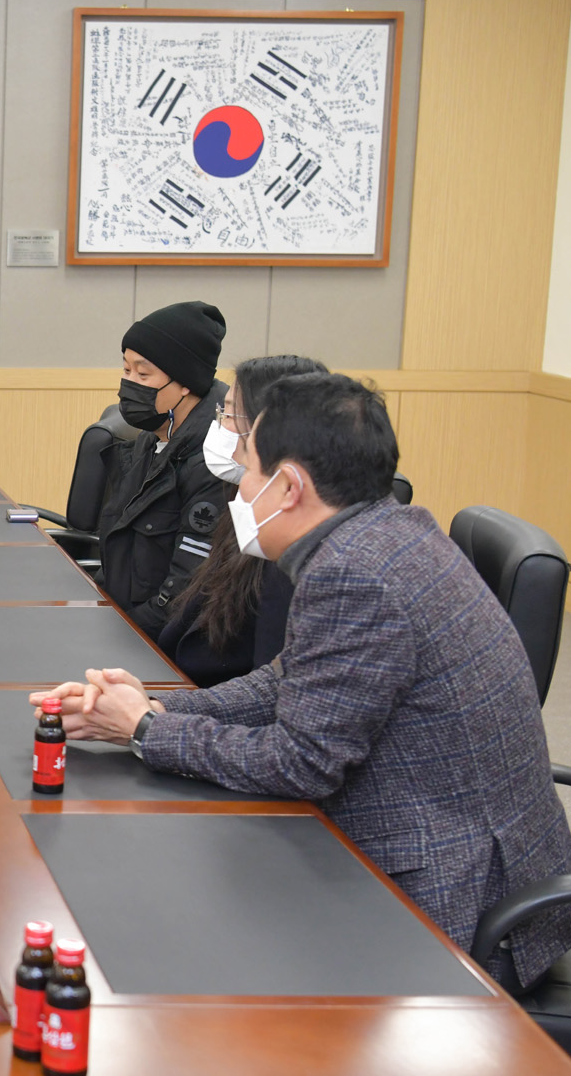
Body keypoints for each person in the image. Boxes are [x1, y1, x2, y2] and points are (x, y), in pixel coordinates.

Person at [34, 373, 571, 989]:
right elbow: (285, 680)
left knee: (181, 938)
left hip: (452, 904)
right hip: (469, 851)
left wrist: (146, 732)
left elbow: (302, 763)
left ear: (289, 487)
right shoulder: (391, 530)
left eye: (248, 471)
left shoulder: (352, 574)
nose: (238, 490)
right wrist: (158, 709)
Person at [158, 355, 327, 686]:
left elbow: (273, 687)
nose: (221, 426)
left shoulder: (294, 546)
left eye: (231, 414)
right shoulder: (244, 500)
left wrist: (158, 711)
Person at [95, 300, 230, 640]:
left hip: (158, 643)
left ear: (185, 383)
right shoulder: (151, 438)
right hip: (123, 622)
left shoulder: (212, 461)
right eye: (126, 370)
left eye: (143, 374)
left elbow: (186, 590)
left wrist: (121, 636)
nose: (129, 383)